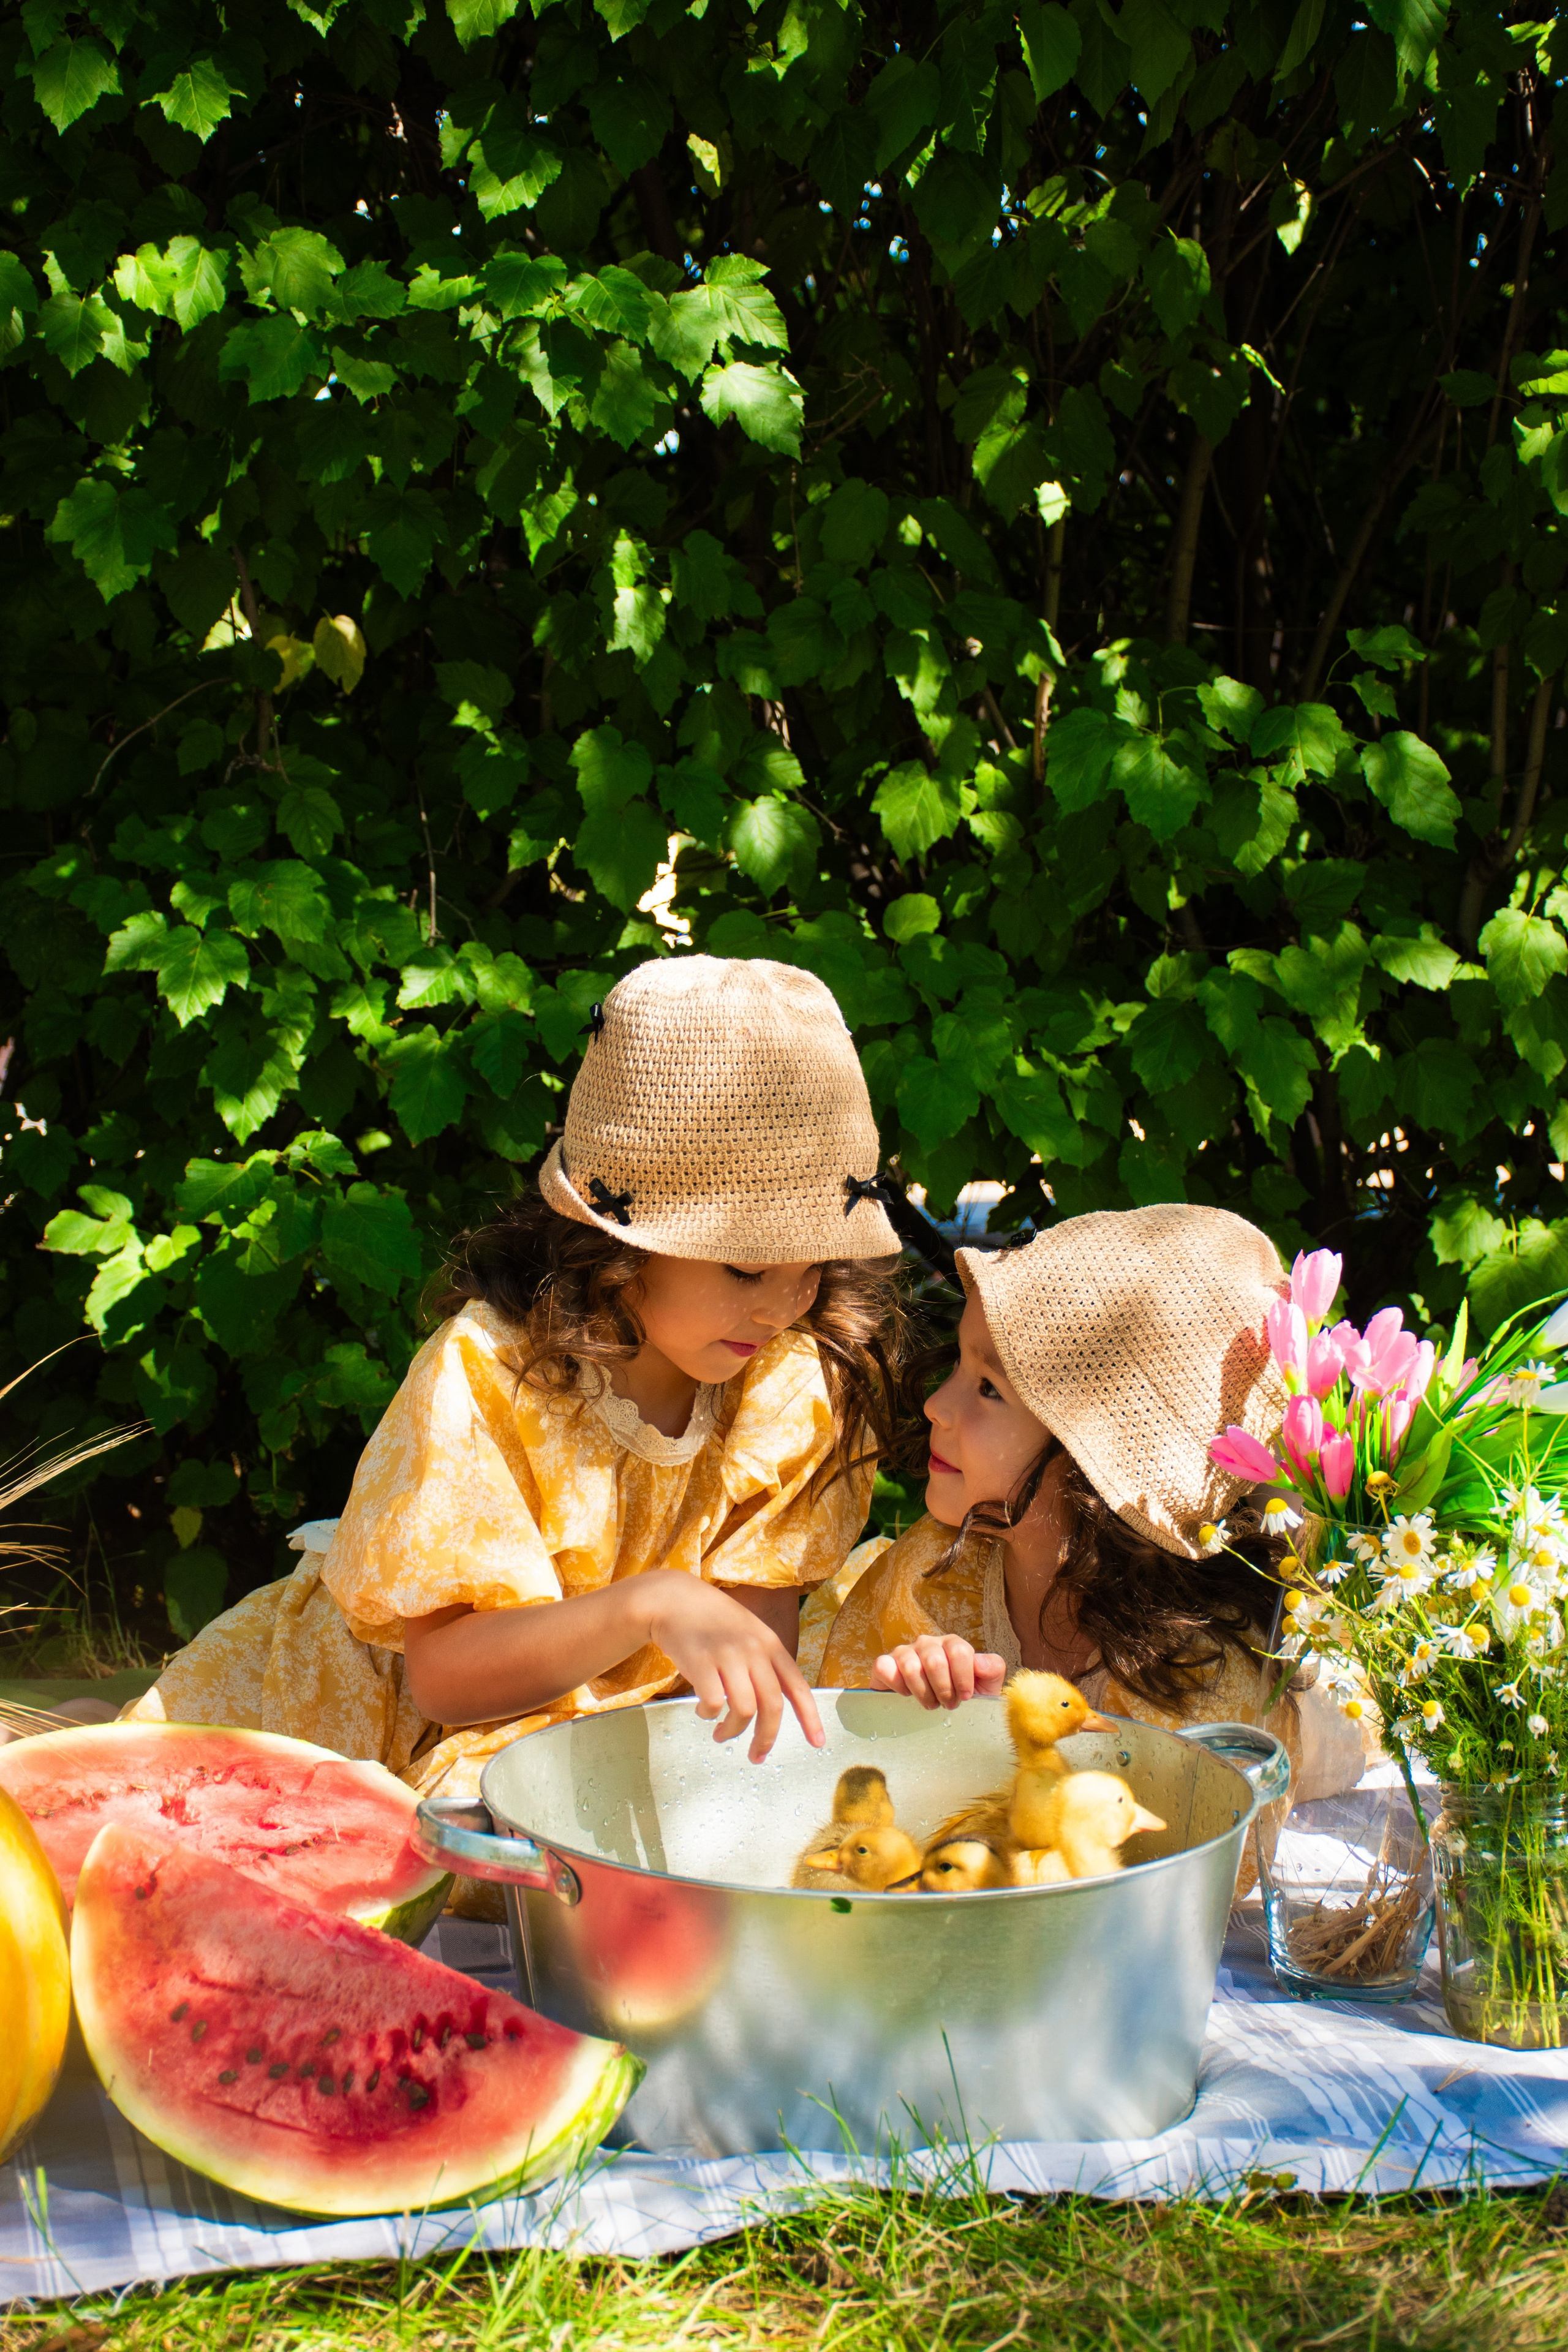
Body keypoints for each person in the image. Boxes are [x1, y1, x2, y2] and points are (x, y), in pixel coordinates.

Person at [128, 957, 907, 1803]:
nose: (784, 1307)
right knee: (147, 1806)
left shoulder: (788, 1385)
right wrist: (648, 1605)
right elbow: (443, 1680)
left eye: (815, 1270)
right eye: (746, 1269)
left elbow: (749, 1668)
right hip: (372, 1713)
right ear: (620, 1242)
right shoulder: (490, 1371)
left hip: (597, 1727)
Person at [818, 1205, 1365, 1801]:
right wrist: (910, 1722)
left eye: (988, 1389)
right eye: (958, 1363)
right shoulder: (934, 1582)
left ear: (1099, 1462)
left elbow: (1180, 1854)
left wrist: (988, 1758)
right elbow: (835, 1784)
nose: (936, 1407)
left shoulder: (1194, 1674)